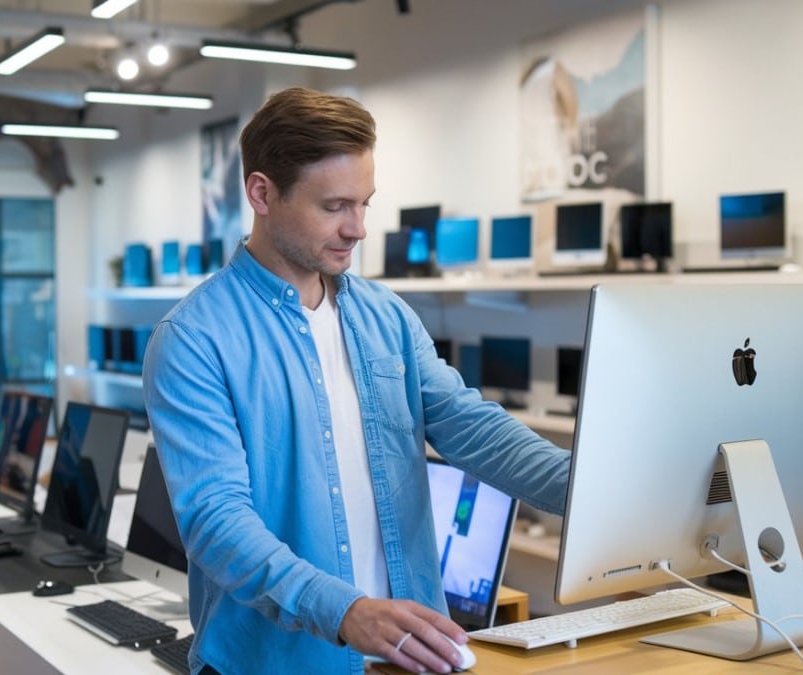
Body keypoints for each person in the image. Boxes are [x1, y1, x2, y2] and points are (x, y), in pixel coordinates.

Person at [142, 87, 571, 675]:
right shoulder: (193, 339)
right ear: (261, 193)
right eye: (334, 206)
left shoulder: (386, 316)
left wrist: (596, 492)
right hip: (275, 664)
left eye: (365, 203)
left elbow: (476, 431)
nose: (358, 229)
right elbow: (217, 523)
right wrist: (346, 612)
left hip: (409, 657)